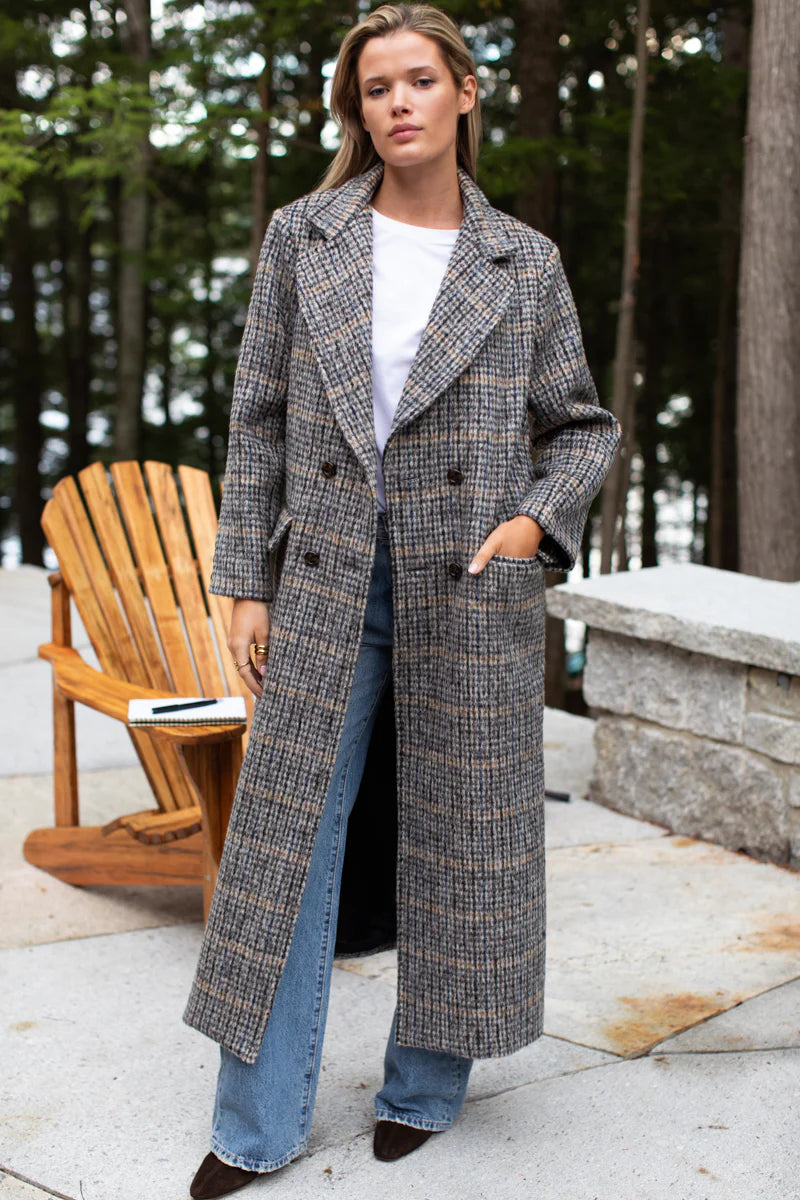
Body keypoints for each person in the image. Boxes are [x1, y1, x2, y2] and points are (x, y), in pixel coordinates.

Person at [187, 3, 622, 1196]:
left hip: (466, 581)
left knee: (460, 833)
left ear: (463, 93)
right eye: (375, 88)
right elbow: (257, 421)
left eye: (419, 81)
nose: (397, 104)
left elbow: (580, 427)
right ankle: (254, 1123)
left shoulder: (520, 260)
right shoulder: (304, 236)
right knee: (284, 836)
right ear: (357, 108)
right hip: (324, 572)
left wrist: (531, 522)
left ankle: (423, 1091)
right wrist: (245, 579)